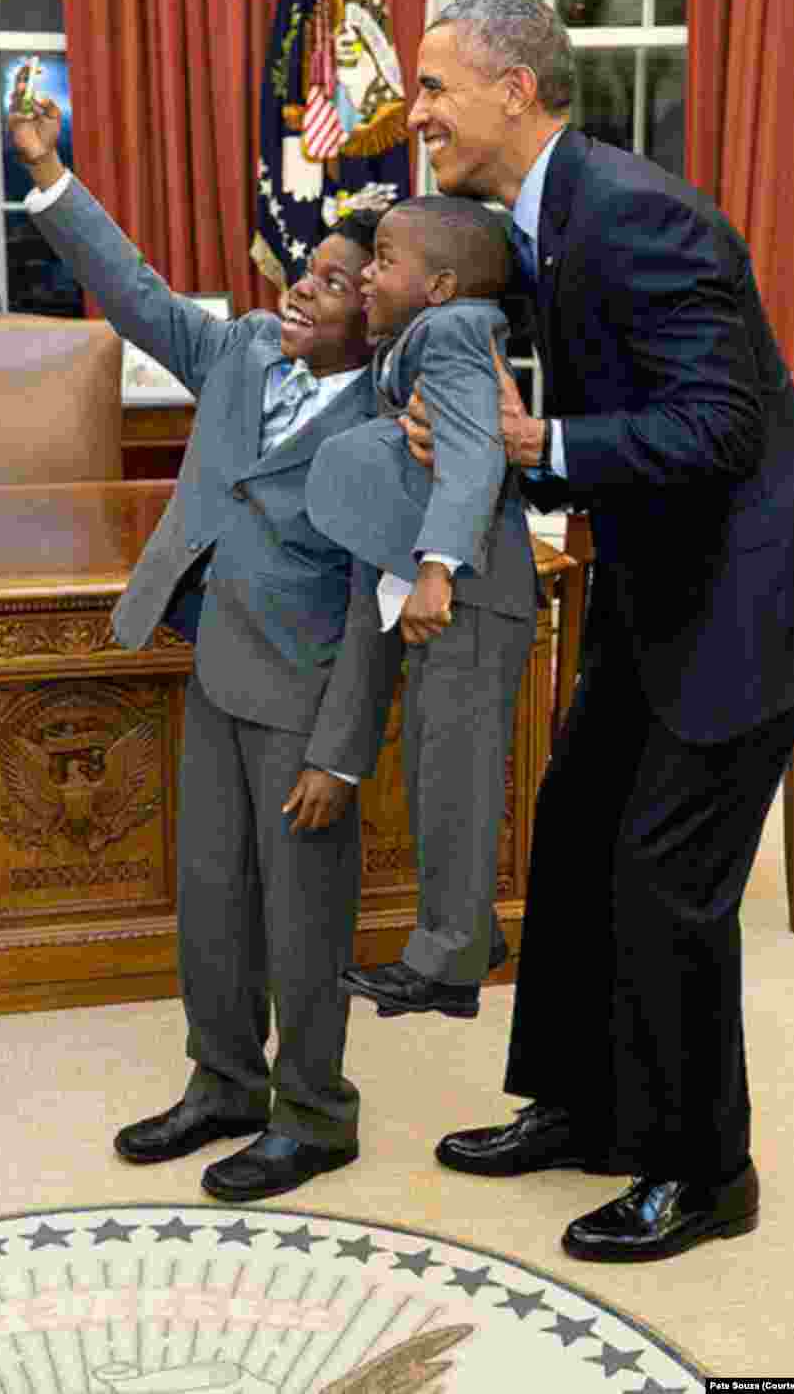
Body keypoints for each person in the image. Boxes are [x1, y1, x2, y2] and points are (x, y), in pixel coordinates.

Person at [399, 0, 794, 1262]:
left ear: (515, 90)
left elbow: (718, 428)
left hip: (754, 580)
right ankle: (582, 1105)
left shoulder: (640, 216)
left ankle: (701, 1167)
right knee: (573, 833)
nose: (417, 112)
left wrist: (534, 442)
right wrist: (497, 450)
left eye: (434, 86)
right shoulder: (537, 218)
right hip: (655, 571)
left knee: (665, 880)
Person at [8, 94, 403, 1204]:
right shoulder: (235, 352)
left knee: (301, 915)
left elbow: (381, 606)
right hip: (219, 667)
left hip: (308, 702)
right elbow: (133, 292)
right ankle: (224, 1080)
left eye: (331, 283)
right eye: (306, 268)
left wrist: (342, 750)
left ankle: (314, 1112)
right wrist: (50, 170)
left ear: (376, 319)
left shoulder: (387, 425)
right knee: (212, 895)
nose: (302, 287)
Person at [305, 195, 538, 1018]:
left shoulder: (450, 336)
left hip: (469, 593)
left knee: (454, 784)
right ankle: (471, 932)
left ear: (439, 286)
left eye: (385, 261)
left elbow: (473, 454)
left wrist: (436, 569)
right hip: (456, 600)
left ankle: (445, 961)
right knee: (440, 775)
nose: (367, 272)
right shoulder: (424, 338)